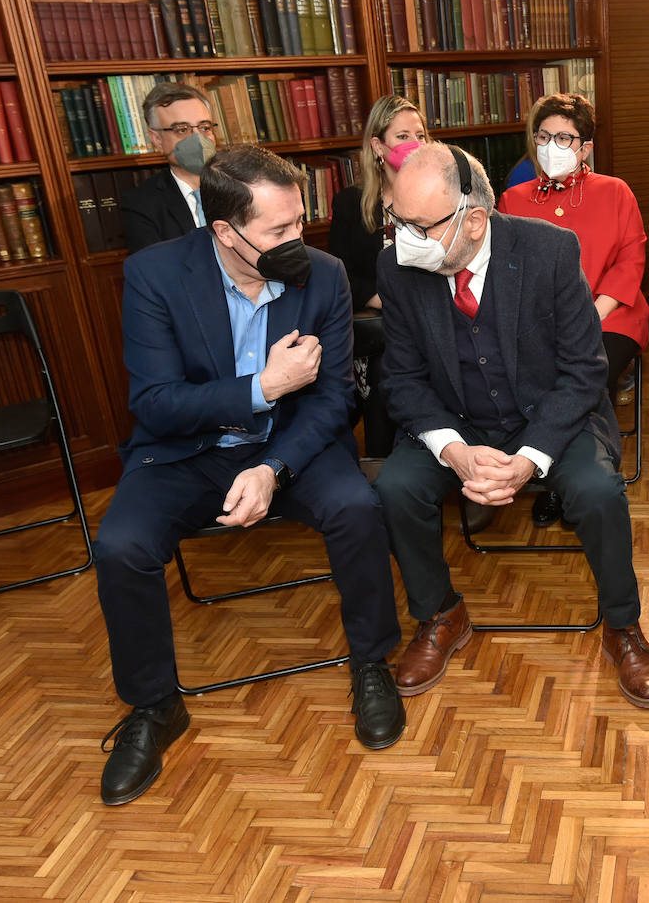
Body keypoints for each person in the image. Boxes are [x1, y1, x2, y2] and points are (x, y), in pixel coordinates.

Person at [92, 145, 406, 806]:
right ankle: (154, 706)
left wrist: (272, 466)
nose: (299, 239)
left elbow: (332, 402)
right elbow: (154, 402)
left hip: (292, 444)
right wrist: (259, 387)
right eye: (279, 230)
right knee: (120, 545)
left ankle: (371, 661)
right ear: (226, 233)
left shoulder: (322, 276)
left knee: (357, 506)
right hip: (186, 450)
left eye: (299, 221)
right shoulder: (154, 275)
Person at [372, 144, 649, 710]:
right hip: (454, 421)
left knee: (599, 490)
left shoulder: (551, 251)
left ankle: (623, 624)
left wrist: (530, 457)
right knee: (395, 487)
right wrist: (454, 451)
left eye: (417, 226)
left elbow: (585, 372)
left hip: (550, 414)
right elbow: (403, 380)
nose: (402, 238)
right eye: (397, 222)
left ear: (475, 221)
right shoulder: (398, 266)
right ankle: (440, 613)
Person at [497, 93, 649, 528]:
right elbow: (507, 273)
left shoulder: (615, 192)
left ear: (585, 147)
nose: (552, 145)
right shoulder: (512, 199)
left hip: (610, 315)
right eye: (544, 135)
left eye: (565, 137)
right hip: (536, 323)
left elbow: (630, 260)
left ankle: (581, 479)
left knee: (584, 375)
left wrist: (589, 318)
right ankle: (551, 474)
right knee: (531, 375)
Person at [327, 95, 429, 458]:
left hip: (436, 318)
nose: (415, 144)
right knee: (386, 371)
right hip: (380, 328)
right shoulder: (351, 204)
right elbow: (336, 274)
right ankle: (387, 469)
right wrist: (379, 298)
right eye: (403, 136)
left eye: (420, 134)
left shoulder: (442, 197)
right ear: (378, 146)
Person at [120, 83, 219, 253]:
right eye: (182, 130)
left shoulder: (244, 186)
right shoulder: (141, 204)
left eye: (204, 128)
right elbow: (156, 271)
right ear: (157, 139)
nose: (197, 139)